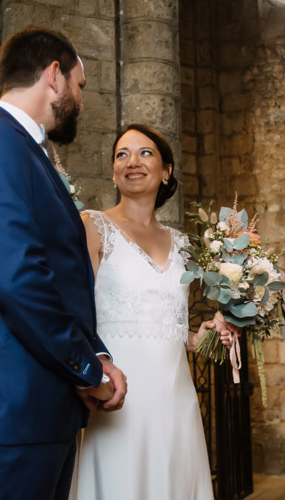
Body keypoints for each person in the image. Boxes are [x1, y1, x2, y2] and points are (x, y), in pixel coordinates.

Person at [0, 25, 127, 500]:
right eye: (80, 86)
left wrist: (97, 353)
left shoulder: (25, 150)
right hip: (7, 411)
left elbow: (58, 279)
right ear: (55, 76)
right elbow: (19, 280)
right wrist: (89, 371)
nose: (81, 100)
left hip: (36, 409)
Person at [74, 124, 221, 500]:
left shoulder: (184, 244)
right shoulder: (92, 226)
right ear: (112, 172)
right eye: (122, 154)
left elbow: (169, 325)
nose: (132, 161)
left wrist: (200, 337)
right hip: (117, 389)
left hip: (175, 396)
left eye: (145, 153)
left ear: (166, 170)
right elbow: (72, 312)